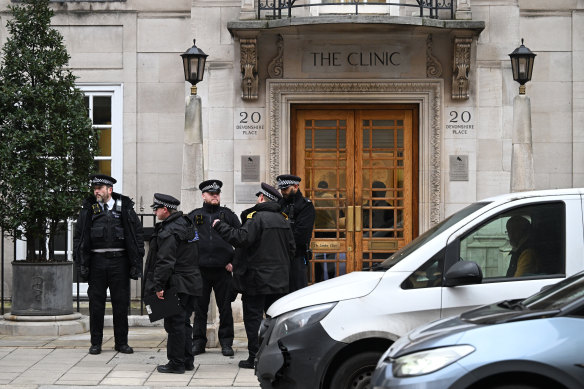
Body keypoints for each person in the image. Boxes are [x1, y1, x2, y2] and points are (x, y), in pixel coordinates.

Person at [212, 183, 295, 369]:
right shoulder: (283, 220)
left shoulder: (256, 218)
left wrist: (220, 226)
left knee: (253, 319)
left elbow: (241, 238)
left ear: (261, 198)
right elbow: (292, 249)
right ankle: (276, 355)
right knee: (276, 320)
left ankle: (255, 357)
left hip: (256, 281)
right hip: (279, 280)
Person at [73, 174, 145, 355]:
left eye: (100, 188)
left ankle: (121, 343)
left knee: (120, 304)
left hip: (119, 262)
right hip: (97, 262)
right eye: (95, 188)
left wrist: (137, 260)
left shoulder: (125, 209)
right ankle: (96, 343)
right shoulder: (88, 209)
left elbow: (137, 234)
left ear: (109, 190)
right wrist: (81, 261)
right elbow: (79, 235)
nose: (96, 191)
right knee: (95, 305)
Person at [143, 193, 202, 374]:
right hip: (191, 281)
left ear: (165, 210)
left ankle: (176, 363)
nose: (154, 212)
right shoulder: (186, 224)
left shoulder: (169, 231)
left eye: (156, 209)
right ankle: (186, 361)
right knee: (183, 322)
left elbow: (165, 261)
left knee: (174, 324)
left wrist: (159, 286)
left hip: (176, 283)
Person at [187, 179, 240, 357]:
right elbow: (186, 242)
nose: (215, 195)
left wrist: (234, 262)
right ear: (203, 196)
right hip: (200, 270)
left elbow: (241, 240)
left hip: (222, 270)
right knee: (199, 309)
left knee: (225, 308)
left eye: (217, 193)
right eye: (211, 193)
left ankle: (226, 343)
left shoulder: (228, 215)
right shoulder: (194, 216)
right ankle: (198, 343)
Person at [276, 174, 315, 292]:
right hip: (279, 258)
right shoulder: (280, 204)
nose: (283, 192)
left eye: (286, 189)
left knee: (297, 293)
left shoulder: (305, 206)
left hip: (296, 257)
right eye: (281, 189)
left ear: (296, 186)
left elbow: (301, 236)